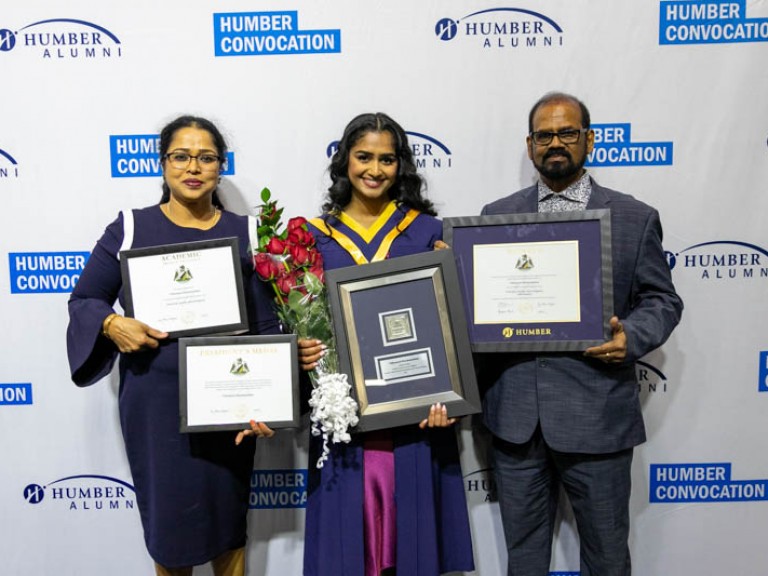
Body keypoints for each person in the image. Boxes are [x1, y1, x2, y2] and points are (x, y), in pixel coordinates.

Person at [479, 92, 683, 576]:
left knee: (607, 557)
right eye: (544, 135)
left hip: (598, 416)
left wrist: (631, 338)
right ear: (529, 146)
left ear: (588, 139)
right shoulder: (494, 216)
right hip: (515, 422)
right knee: (523, 560)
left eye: (567, 133)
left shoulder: (635, 217)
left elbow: (662, 300)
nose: (556, 143)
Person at [66, 115, 279, 576]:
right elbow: (84, 299)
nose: (193, 167)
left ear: (221, 167)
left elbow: (266, 326)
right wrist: (110, 323)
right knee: (169, 534)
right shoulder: (129, 228)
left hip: (227, 403)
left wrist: (268, 399)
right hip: (155, 403)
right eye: (180, 156)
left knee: (229, 526)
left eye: (206, 157)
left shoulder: (248, 232)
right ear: (163, 165)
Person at [297, 112, 475, 576]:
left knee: (413, 546)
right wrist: (299, 351)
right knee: (345, 553)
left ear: (402, 166)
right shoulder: (311, 238)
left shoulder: (427, 233)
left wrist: (449, 393)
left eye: (387, 159)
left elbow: (450, 330)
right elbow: (297, 324)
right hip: (344, 422)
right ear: (343, 161)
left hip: (415, 418)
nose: (374, 169)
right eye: (363, 157)